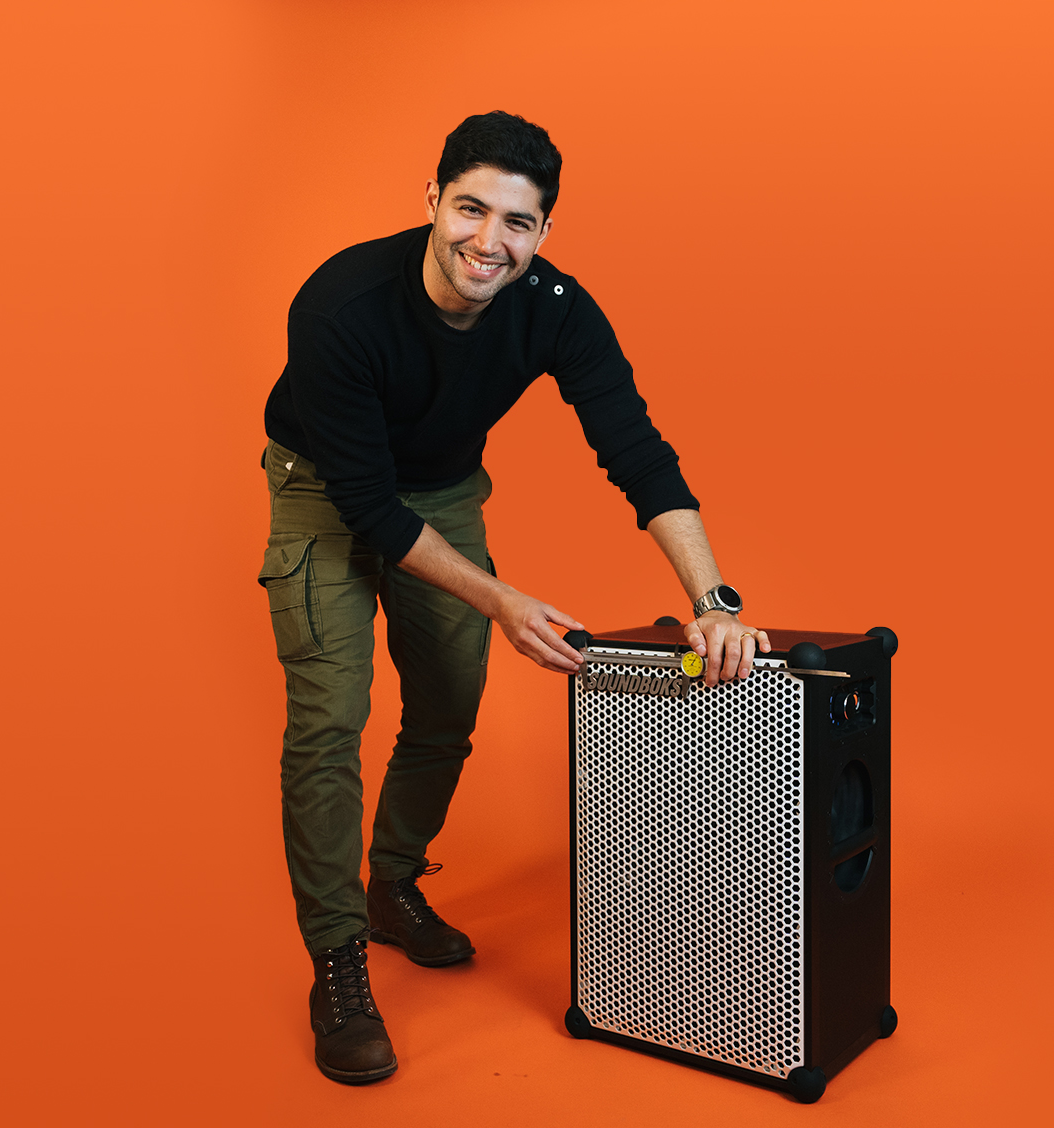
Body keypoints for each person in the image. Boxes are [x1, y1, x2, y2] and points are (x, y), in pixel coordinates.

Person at [258, 110, 770, 1084]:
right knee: (329, 720)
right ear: (431, 202)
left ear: (543, 232)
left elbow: (637, 452)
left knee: (448, 709)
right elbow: (366, 504)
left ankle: (392, 886)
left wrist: (715, 596)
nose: (487, 241)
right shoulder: (341, 303)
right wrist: (502, 598)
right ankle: (338, 961)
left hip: (443, 494)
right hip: (322, 491)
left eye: (517, 222)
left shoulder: (558, 308)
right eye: (469, 209)